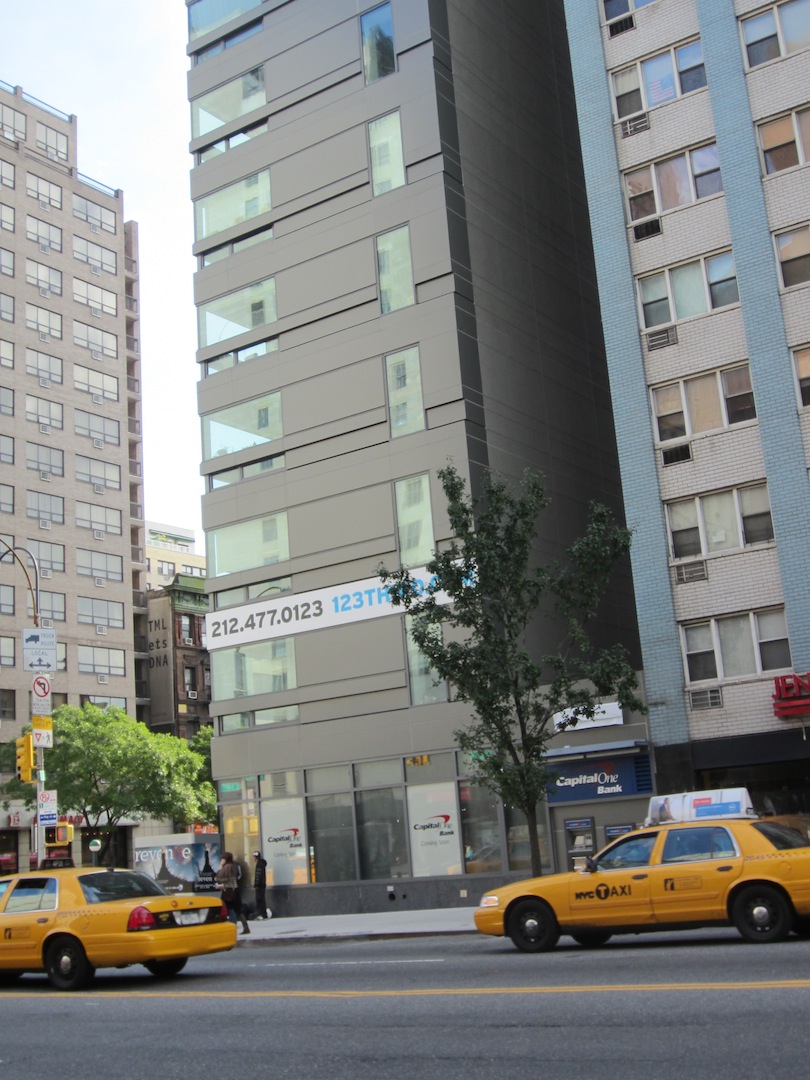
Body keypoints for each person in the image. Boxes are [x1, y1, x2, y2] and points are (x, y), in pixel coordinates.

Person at [215, 852, 250, 935]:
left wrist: (220, 868)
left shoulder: (228, 867)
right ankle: (245, 927)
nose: (221, 860)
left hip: (229, 891)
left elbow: (220, 877)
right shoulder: (233, 866)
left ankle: (232, 927)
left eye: (223, 859)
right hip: (232, 890)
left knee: (229, 909)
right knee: (237, 909)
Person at [252, 850, 269, 920]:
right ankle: (263, 914)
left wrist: (256, 884)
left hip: (259, 885)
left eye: (253, 857)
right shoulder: (262, 864)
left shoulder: (259, 864)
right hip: (262, 885)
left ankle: (261, 914)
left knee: (259, 900)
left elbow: (258, 875)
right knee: (261, 899)